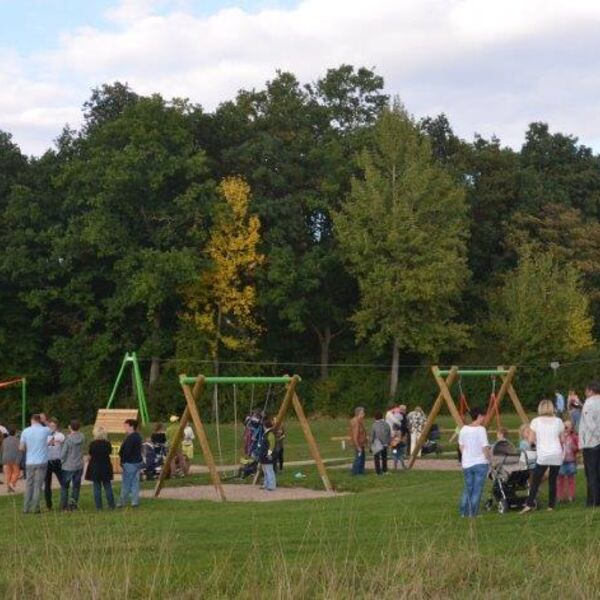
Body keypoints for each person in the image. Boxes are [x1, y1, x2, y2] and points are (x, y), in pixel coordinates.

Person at [521, 399, 565, 514]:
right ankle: (551, 506)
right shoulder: (558, 421)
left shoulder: (536, 421)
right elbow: (562, 439)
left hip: (543, 454)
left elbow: (530, 440)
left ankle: (529, 504)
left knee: (535, 480)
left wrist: (536, 443)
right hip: (556, 453)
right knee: (552, 480)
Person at [458, 407, 491, 518]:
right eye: (483, 416)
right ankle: (473, 513)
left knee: (468, 488)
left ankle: (463, 512)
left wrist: (467, 456)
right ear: (479, 416)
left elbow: (461, 446)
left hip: (467, 463)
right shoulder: (481, 429)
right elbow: (485, 448)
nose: (484, 418)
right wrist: (489, 460)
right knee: (477, 489)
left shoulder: (463, 429)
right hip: (480, 463)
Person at [19, 413, 52, 514]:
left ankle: (26, 508)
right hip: (42, 461)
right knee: (38, 485)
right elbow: (52, 429)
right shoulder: (45, 430)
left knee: (29, 485)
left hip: (30, 461)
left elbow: (21, 448)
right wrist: (44, 421)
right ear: (39, 420)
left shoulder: (25, 431)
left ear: (31, 420)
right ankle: (36, 508)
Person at [579, 380, 600, 507]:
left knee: (591, 473)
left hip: (591, 442)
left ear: (590, 390)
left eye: (586, 390)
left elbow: (589, 423)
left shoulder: (589, 402)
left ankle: (593, 501)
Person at [85, 426, 115, 510]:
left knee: (96, 487)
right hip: (105, 466)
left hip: (95, 467)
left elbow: (90, 454)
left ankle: (98, 506)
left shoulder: (92, 444)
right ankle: (111, 505)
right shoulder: (107, 444)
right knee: (107, 486)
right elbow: (109, 452)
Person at [60, 419, 85, 511]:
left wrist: (61, 461)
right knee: (76, 486)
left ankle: (64, 506)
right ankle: (73, 505)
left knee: (65, 487)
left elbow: (63, 453)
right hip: (79, 465)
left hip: (68, 466)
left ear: (70, 427)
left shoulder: (68, 439)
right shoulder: (82, 437)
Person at [118, 419, 143, 508]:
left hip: (130, 463)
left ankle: (121, 502)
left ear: (131, 426)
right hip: (137, 462)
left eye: (126, 425)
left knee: (126, 483)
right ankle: (134, 501)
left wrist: (123, 461)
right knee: (135, 482)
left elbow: (127, 451)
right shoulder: (138, 436)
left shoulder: (130, 438)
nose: (124, 427)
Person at [45, 418, 65, 510]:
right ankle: (49, 505)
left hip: (57, 461)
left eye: (53, 426)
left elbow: (62, 442)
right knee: (47, 485)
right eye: (50, 426)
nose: (52, 427)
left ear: (56, 426)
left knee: (63, 483)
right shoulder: (45, 435)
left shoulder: (60, 435)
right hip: (47, 462)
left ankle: (63, 503)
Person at [557, 420, 579, 503]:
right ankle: (560, 497)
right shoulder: (559, 436)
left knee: (571, 479)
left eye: (568, 426)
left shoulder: (574, 437)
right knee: (560, 480)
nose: (565, 427)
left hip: (571, 461)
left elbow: (577, 448)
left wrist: (574, 447)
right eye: (564, 425)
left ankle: (571, 496)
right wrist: (561, 441)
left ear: (571, 428)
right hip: (561, 461)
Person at [371, 410, 391, 475]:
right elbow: (389, 433)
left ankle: (378, 472)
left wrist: (371, 444)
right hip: (385, 443)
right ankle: (385, 470)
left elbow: (372, 435)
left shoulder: (374, 425)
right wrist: (388, 442)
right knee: (384, 458)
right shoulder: (386, 424)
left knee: (376, 458)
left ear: (375, 417)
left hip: (377, 444)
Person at [2, 426, 21, 492]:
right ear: (15, 432)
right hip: (14, 458)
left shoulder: (4, 440)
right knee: (17, 473)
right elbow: (20, 449)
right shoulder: (17, 440)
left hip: (5, 458)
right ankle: (11, 484)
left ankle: (8, 488)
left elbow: (3, 449)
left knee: (8, 474)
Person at [259, 418, 277, 491]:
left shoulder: (270, 434)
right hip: (263, 455)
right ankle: (266, 484)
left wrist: (269, 454)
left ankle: (272, 485)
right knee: (265, 471)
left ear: (265, 426)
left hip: (267, 455)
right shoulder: (265, 434)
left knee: (269, 471)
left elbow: (272, 445)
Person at [349, 406, 367, 475]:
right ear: (358, 413)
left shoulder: (359, 421)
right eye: (362, 413)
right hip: (358, 444)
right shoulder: (355, 422)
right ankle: (356, 472)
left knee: (362, 458)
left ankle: (361, 471)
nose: (364, 414)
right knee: (359, 458)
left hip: (361, 443)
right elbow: (355, 435)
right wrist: (357, 446)